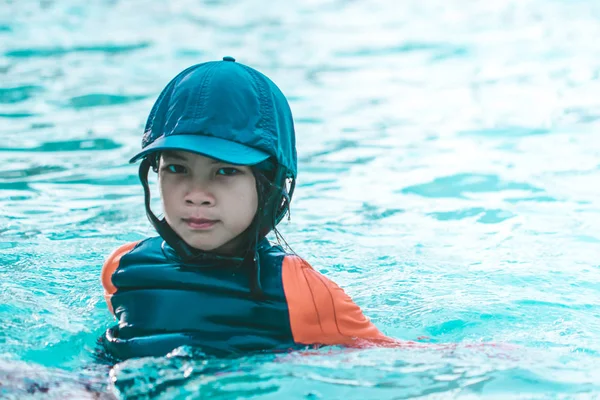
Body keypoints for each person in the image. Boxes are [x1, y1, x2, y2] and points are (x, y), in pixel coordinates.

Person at [100, 56, 399, 360]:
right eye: (177, 168)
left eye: (226, 171)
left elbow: (397, 360)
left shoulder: (300, 292)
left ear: (270, 184)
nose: (197, 195)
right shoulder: (124, 267)